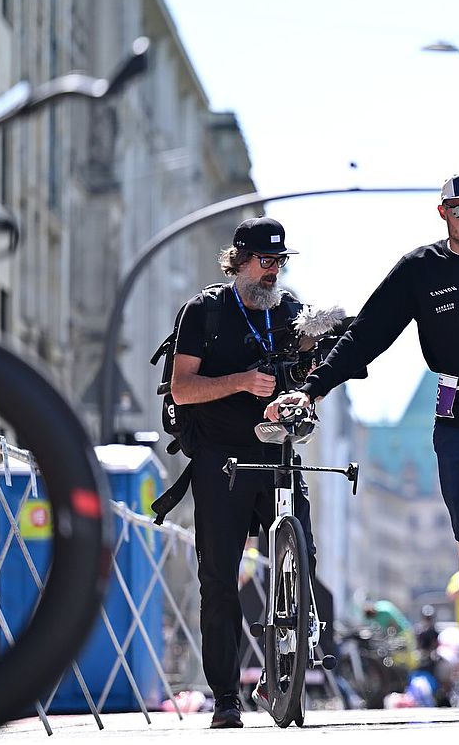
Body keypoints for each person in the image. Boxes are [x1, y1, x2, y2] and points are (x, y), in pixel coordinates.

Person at [268, 173, 459, 722]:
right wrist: (312, 387)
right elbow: (367, 334)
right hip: (456, 421)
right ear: (443, 213)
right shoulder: (420, 268)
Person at [168, 217, 318, 729]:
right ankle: (226, 697)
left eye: (280, 262)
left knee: (303, 555)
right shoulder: (203, 312)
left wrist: (302, 394)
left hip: (278, 452)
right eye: (265, 261)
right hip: (220, 458)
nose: (273, 271)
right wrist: (240, 383)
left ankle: (283, 668)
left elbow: (311, 376)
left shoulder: (292, 312)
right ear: (239, 260)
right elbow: (182, 389)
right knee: (219, 578)